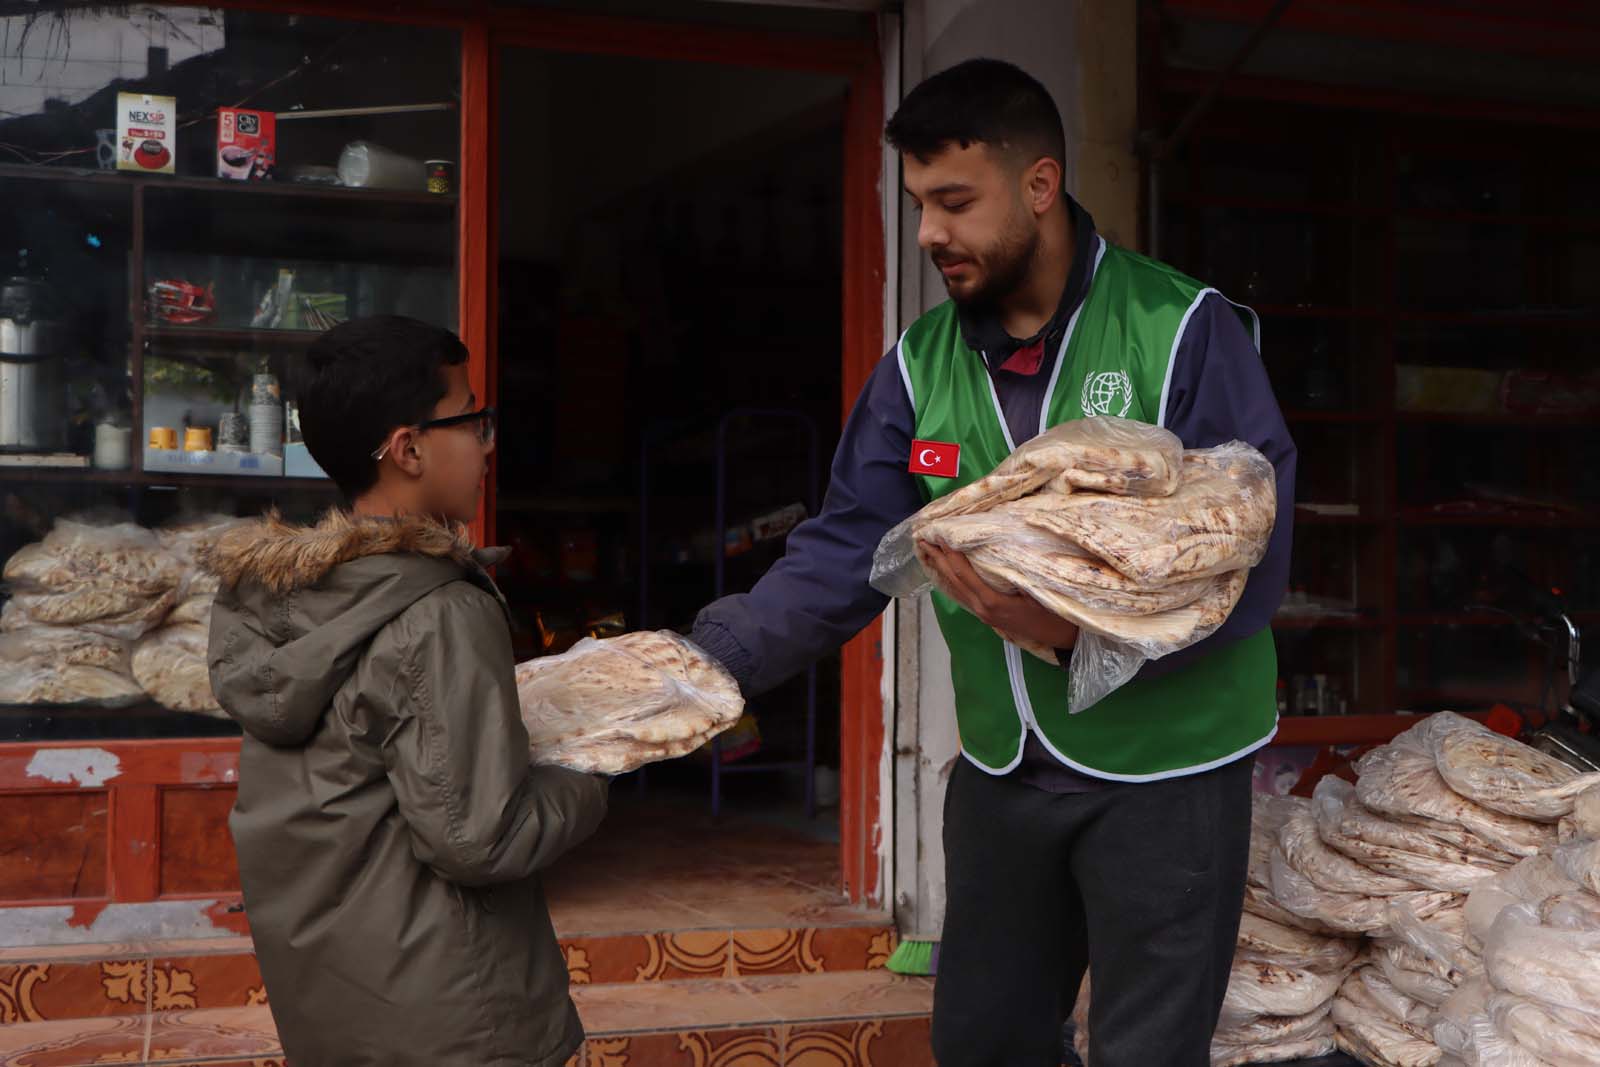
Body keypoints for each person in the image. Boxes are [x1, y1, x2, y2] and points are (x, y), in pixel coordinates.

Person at [689, 59, 1296, 1066]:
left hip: (1167, 766)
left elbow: (1249, 545)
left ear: (1040, 185)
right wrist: (712, 662)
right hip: (1006, 769)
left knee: (1146, 1049)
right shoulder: (919, 361)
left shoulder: (1181, 327)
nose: (929, 232)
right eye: (921, 203)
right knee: (983, 1040)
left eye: (955, 202)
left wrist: (1083, 635)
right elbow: (850, 543)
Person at [205, 315, 608, 1067]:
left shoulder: (289, 601)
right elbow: (480, 835)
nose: (488, 441)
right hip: (457, 1018)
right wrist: (595, 768)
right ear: (409, 448)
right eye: (472, 418)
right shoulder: (439, 609)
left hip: (334, 1006)